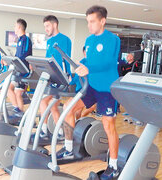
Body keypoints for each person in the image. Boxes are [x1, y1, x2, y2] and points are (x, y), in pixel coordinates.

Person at [57, 6, 120, 180]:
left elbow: (108, 63)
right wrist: (80, 67)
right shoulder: (89, 40)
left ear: (102, 21)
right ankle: (69, 148)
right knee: (68, 109)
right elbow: (89, 62)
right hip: (91, 87)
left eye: (92, 21)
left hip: (107, 89)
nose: (89, 25)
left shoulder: (113, 39)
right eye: (88, 22)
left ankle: (113, 166)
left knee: (108, 126)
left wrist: (88, 68)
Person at [39, 15, 71, 139]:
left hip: (61, 78)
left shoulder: (65, 39)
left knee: (44, 101)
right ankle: (60, 132)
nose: (46, 29)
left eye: (47, 26)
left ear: (54, 25)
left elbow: (66, 59)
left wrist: (67, 75)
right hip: (51, 77)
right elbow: (48, 60)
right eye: (45, 26)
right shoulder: (49, 41)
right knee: (53, 106)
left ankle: (43, 130)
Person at [7, 18, 32, 117]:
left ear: (19, 27)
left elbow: (25, 55)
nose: (14, 28)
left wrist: (15, 60)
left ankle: (16, 108)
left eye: (15, 26)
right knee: (17, 93)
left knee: (9, 89)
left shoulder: (25, 39)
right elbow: (18, 55)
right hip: (18, 70)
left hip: (23, 71)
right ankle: (20, 115)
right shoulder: (20, 40)